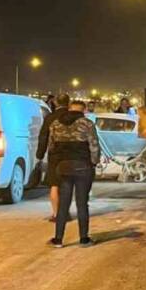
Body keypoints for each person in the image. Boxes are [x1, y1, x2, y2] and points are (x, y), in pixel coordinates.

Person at [48, 100, 100, 248]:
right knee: (82, 203)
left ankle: (58, 239)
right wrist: (94, 162)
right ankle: (84, 239)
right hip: (83, 167)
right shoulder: (87, 124)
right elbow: (94, 146)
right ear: (83, 110)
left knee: (63, 203)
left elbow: (51, 147)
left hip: (63, 167)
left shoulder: (55, 124)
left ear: (69, 109)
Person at [36, 93, 70, 222]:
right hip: (70, 154)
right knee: (67, 184)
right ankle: (65, 212)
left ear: (55, 103)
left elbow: (43, 136)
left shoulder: (50, 118)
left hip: (55, 154)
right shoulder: (72, 117)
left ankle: (57, 214)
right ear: (68, 103)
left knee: (55, 184)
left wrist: (40, 154)